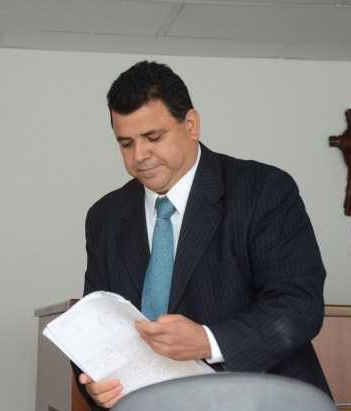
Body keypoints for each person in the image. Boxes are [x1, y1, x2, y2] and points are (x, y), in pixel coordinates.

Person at [74, 61, 330, 410]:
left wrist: (208, 341)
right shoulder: (104, 217)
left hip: (258, 401)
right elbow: (94, 325)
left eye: (153, 138)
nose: (139, 156)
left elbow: (299, 307)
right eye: (125, 143)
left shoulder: (264, 190)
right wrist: (94, 383)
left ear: (191, 124)